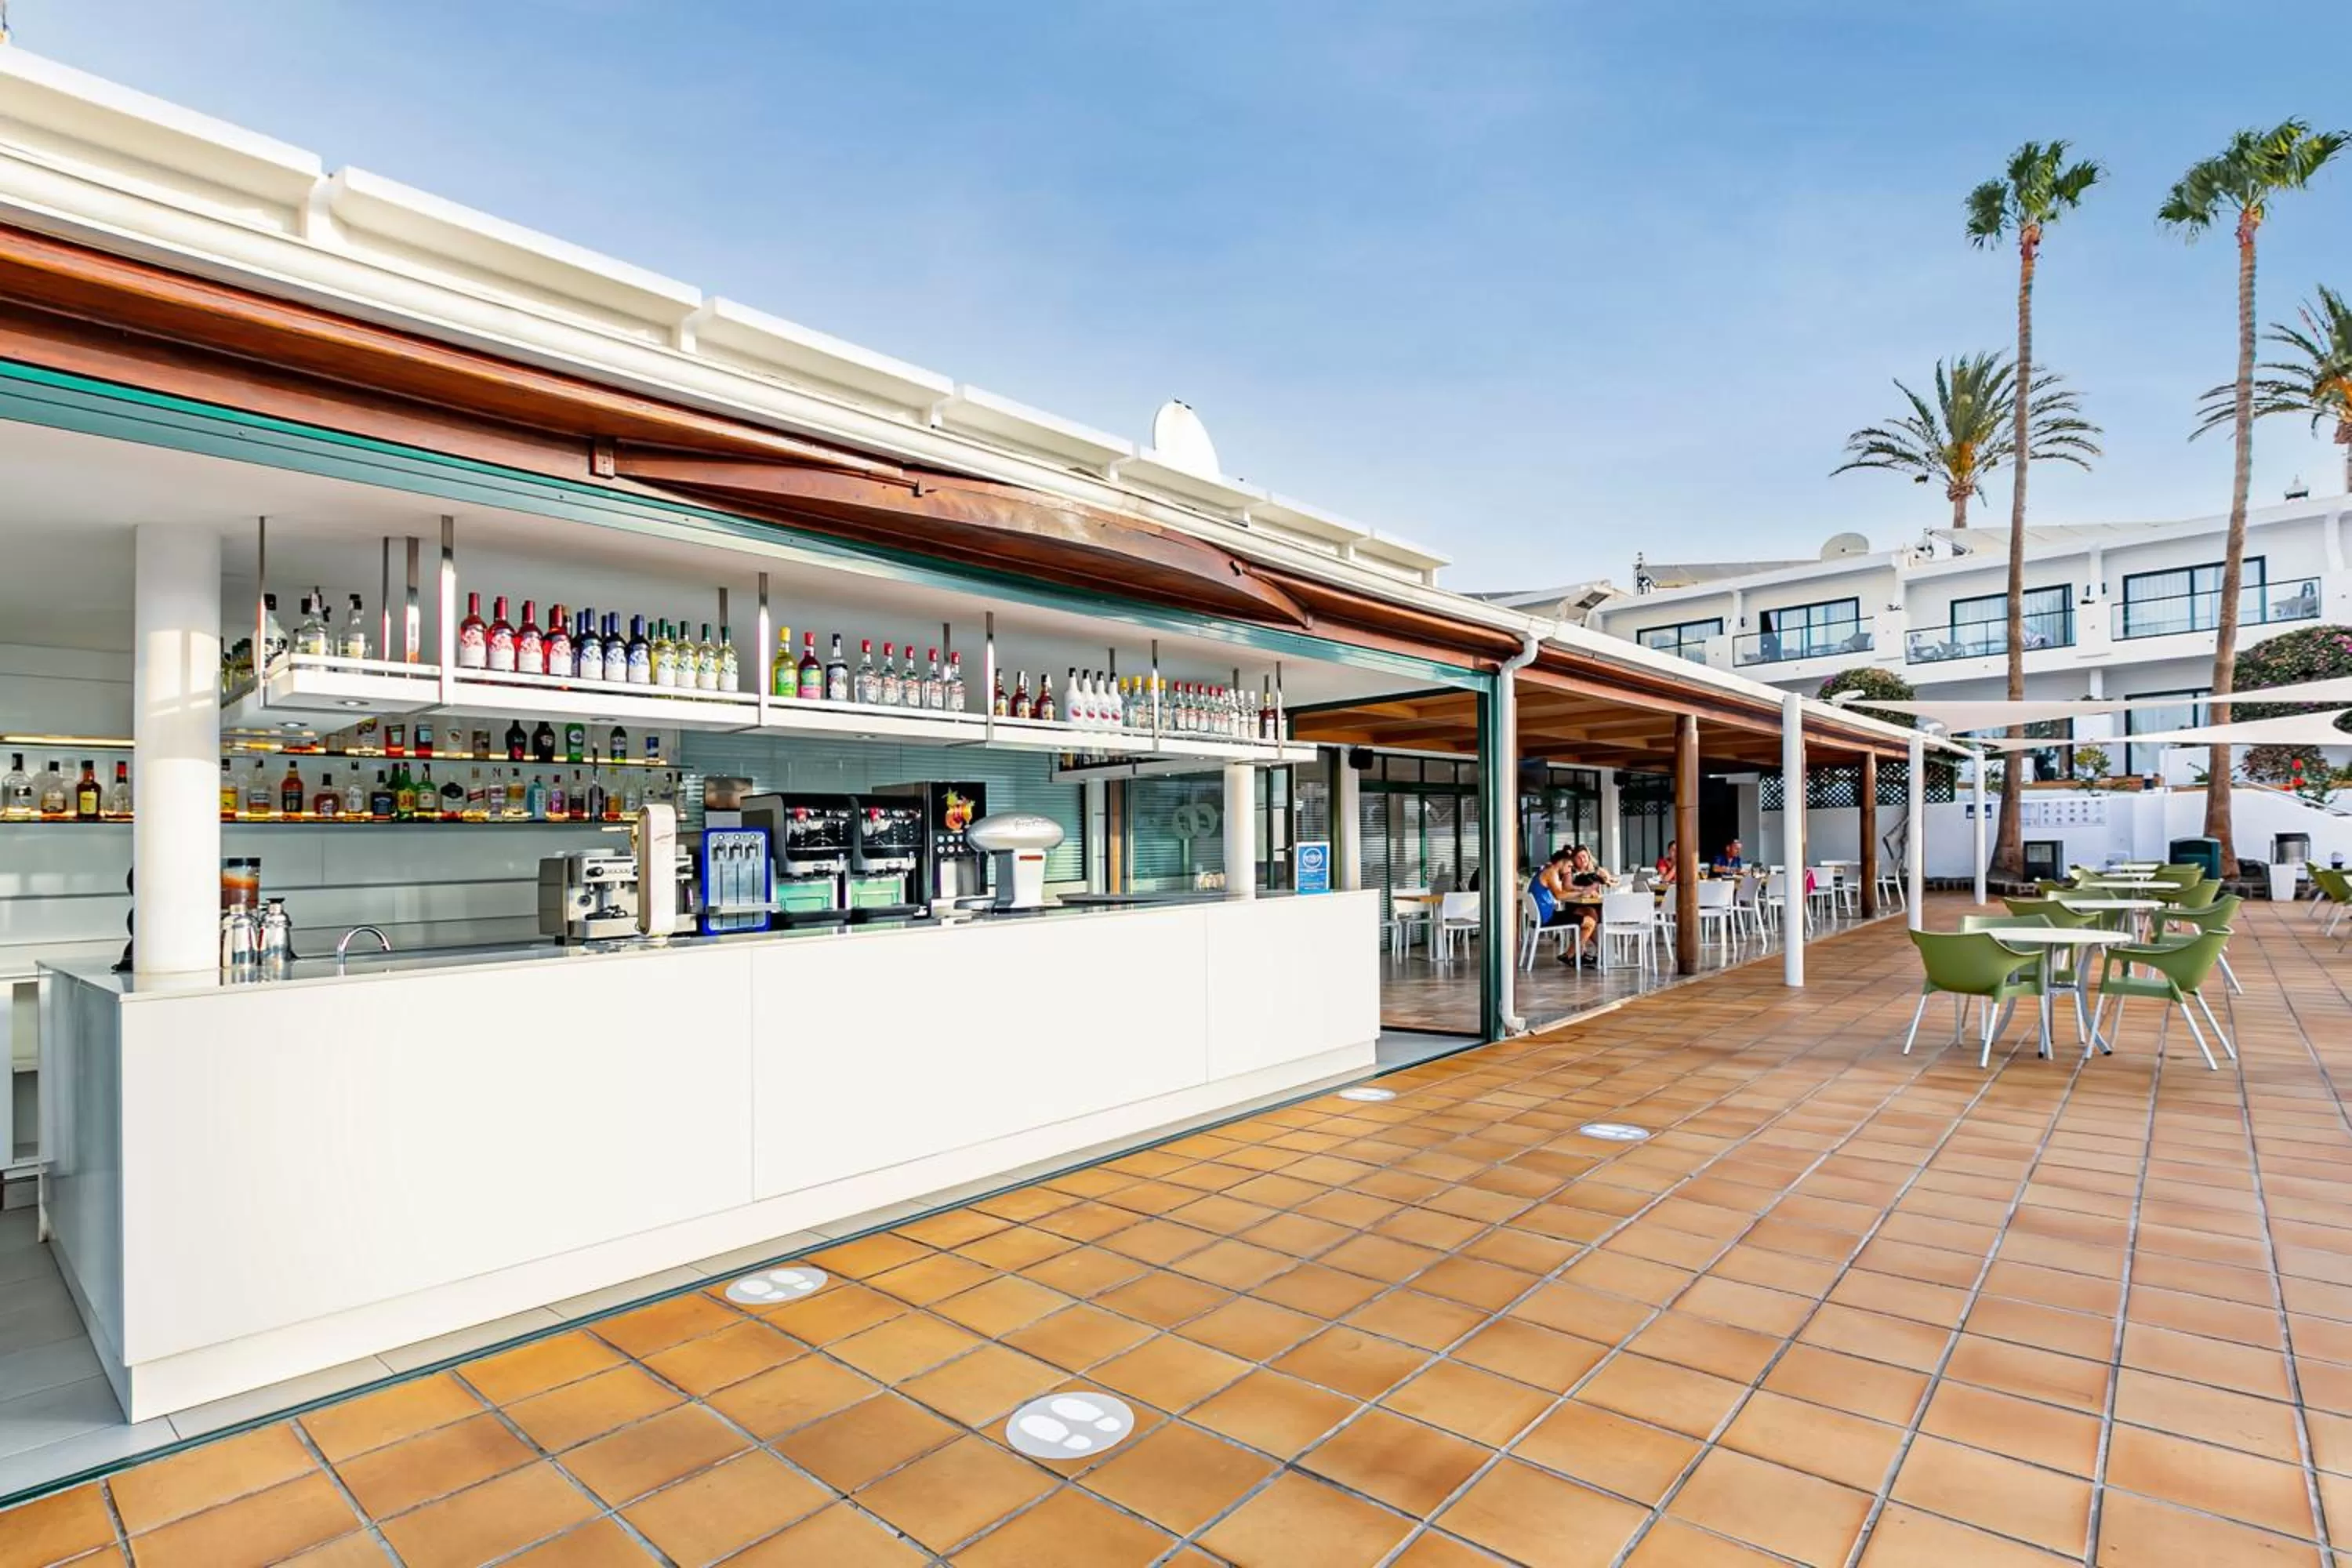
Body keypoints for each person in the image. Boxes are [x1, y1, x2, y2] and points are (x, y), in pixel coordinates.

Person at [1557, 846, 1615, 963]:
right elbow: (1567, 886)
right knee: (1591, 915)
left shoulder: (1597, 871)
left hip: (1597, 905)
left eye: (1584, 856)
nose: (1582, 860)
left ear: (1589, 857)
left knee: (1594, 914)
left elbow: (1610, 883)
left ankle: (1575, 953)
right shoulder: (1570, 871)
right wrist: (1584, 890)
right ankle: (1603, 951)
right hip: (1576, 907)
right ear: (1574, 859)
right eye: (1578, 858)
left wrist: (1606, 879)